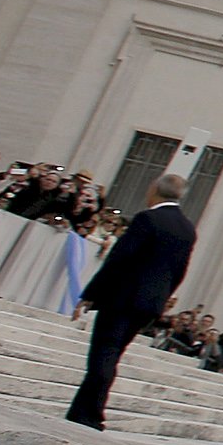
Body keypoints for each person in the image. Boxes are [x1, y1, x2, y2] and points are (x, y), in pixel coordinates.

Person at [64, 171, 197, 429]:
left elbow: (119, 258)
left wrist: (90, 294)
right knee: (113, 353)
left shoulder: (148, 219)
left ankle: (89, 413)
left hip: (123, 297)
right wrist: (161, 299)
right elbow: (180, 271)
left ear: (154, 190)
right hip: (150, 304)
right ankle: (84, 410)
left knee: (104, 352)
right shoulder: (187, 228)